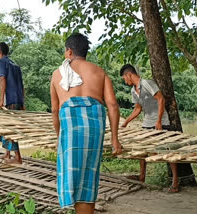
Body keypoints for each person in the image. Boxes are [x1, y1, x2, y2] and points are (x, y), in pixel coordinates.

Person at [50, 33, 122, 214]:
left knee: (72, 177)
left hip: (70, 126)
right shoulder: (99, 71)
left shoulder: (58, 74)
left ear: (69, 51)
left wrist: (60, 137)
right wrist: (115, 138)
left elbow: (54, 110)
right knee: (89, 176)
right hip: (94, 126)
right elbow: (112, 105)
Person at [120, 64, 179, 192]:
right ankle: (142, 176)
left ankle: (175, 181)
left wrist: (159, 121)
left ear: (129, 74)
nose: (125, 81)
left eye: (125, 78)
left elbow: (161, 99)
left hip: (161, 121)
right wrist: (126, 122)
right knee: (143, 149)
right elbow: (138, 109)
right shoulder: (133, 91)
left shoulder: (147, 83)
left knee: (167, 149)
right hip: (147, 122)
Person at [0, 42, 24, 164]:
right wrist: (22, 102)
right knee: (6, 126)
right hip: (17, 99)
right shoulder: (15, 65)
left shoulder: (1, 62)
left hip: (9, 99)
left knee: (10, 127)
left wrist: (1, 100)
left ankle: (18, 157)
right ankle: (7, 153)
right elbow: (22, 86)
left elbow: (2, 79)